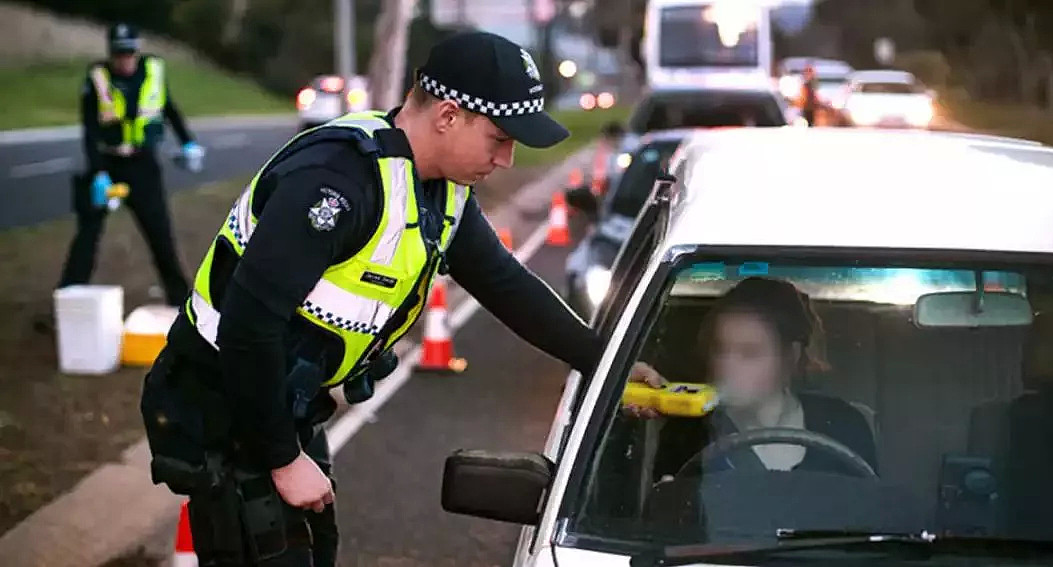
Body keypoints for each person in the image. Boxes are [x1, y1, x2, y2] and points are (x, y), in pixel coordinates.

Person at [139, 30, 603, 566]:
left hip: (279, 403)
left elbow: (506, 285)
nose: (506, 159)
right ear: (448, 116)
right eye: (500, 138)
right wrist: (283, 459)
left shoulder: (440, 188)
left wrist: (604, 361)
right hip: (224, 402)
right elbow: (250, 325)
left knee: (315, 547)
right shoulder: (336, 182)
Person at [626, 276, 878, 478]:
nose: (727, 366)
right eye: (719, 349)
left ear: (790, 355)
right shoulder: (688, 434)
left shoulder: (844, 424)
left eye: (750, 353)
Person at [58, 22, 203, 308]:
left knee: (160, 234)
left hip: (143, 165)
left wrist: (188, 142)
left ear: (136, 51)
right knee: (87, 235)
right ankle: (67, 299)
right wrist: (98, 173)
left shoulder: (153, 72)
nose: (124, 60)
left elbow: (170, 109)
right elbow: (89, 130)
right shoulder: (97, 79)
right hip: (106, 163)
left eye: (128, 54)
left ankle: (180, 301)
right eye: (118, 54)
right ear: (110, 53)